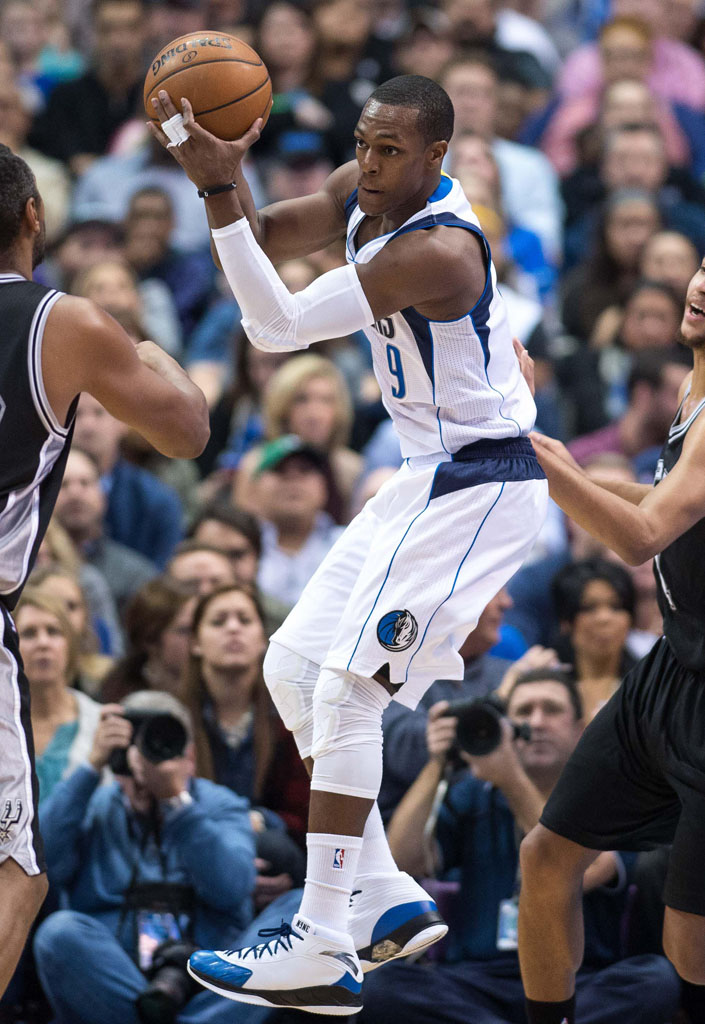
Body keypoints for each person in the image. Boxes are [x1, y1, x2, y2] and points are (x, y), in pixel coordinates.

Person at [151, 72, 547, 1015]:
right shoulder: (365, 187)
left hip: (482, 483)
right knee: (293, 665)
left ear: (436, 157)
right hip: (426, 474)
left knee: (347, 690)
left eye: (390, 152)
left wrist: (214, 197)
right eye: (364, 144)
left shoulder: (444, 250)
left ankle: (323, 943)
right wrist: (220, 167)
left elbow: (273, 324)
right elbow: (267, 235)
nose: (368, 164)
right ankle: (384, 898)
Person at [0, 142, 208, 1001]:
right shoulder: (64, 323)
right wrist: (145, 348)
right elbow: (189, 432)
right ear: (33, 218)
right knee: (17, 875)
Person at [517, 254, 705, 1024]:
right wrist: (564, 464)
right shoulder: (695, 379)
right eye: (703, 266)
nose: (701, 286)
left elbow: (642, 538)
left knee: (688, 944)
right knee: (546, 856)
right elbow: (668, 496)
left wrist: (530, 456)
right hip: (672, 667)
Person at [359, 668, 680, 1024]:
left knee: (655, 980)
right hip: (478, 981)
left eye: (552, 710)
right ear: (504, 727)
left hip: (580, 982)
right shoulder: (473, 793)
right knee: (384, 986)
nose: (538, 722)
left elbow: (588, 870)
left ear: (580, 728)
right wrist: (439, 762)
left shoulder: (607, 801)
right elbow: (401, 861)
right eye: (524, 712)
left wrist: (511, 779)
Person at [32, 690, 264, 1024]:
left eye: (157, 752)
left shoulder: (220, 806)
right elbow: (41, 866)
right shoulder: (94, 805)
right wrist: (89, 767)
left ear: (190, 757)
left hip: (209, 980)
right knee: (59, 933)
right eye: (129, 757)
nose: (143, 770)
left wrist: (176, 802)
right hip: (117, 977)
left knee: (294, 920)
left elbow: (231, 888)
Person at [16, 588, 101, 804]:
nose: (43, 643)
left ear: (70, 645)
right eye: (28, 633)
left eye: (53, 632)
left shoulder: (99, 723)